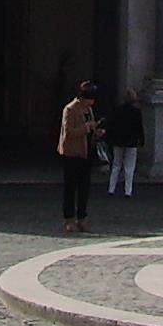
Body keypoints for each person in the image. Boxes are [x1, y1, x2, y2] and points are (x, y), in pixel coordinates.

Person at [58, 80, 100, 234]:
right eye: (91, 98)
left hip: (86, 153)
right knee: (70, 188)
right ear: (83, 97)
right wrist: (87, 128)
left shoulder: (88, 109)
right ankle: (68, 219)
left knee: (84, 188)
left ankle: (82, 218)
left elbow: (89, 128)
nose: (93, 102)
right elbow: (69, 132)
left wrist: (96, 131)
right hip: (72, 153)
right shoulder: (70, 109)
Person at [103, 89, 144, 197]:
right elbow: (139, 128)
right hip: (131, 141)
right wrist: (141, 140)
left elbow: (111, 125)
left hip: (118, 141)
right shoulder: (136, 112)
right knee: (129, 167)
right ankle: (128, 191)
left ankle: (111, 189)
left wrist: (108, 138)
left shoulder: (117, 110)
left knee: (116, 165)